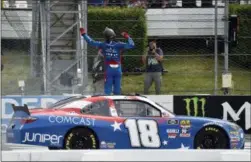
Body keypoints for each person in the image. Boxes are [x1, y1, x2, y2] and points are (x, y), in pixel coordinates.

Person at [80, 27, 135, 95]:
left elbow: (91, 42)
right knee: (117, 91)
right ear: (113, 36)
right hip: (118, 70)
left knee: (108, 91)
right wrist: (127, 36)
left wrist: (84, 34)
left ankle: (108, 104)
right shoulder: (119, 45)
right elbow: (132, 45)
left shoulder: (103, 45)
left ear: (105, 37)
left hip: (109, 70)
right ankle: (117, 103)